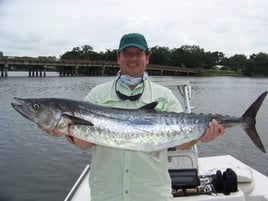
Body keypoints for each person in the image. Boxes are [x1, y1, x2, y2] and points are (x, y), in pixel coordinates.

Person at [43, 33, 225, 201]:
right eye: (127, 53)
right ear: (118, 57)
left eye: (138, 53)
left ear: (147, 57)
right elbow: (85, 144)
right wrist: (64, 130)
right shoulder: (97, 95)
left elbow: (181, 144)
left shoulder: (165, 96)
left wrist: (202, 135)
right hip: (107, 193)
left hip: (152, 193)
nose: (132, 58)